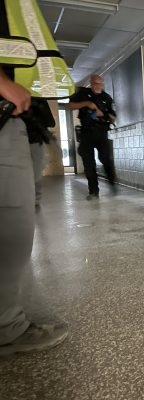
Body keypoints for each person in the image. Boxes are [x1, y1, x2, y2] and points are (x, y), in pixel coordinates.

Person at [0, 67, 68, 356]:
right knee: (12, 224)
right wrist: (4, 83)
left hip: (16, 119)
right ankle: (7, 328)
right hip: (5, 114)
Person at [68, 74, 117, 200]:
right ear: (91, 83)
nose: (98, 86)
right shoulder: (83, 94)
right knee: (89, 164)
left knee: (106, 159)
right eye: (95, 83)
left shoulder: (107, 97)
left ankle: (112, 182)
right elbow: (70, 106)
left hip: (102, 132)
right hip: (86, 133)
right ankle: (93, 191)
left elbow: (113, 116)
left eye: (100, 83)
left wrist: (105, 115)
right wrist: (87, 103)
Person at [22, 98, 56, 208]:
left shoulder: (39, 100)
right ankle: (32, 200)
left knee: (34, 173)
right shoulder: (39, 100)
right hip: (24, 141)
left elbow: (51, 122)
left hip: (32, 141)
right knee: (32, 173)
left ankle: (34, 200)